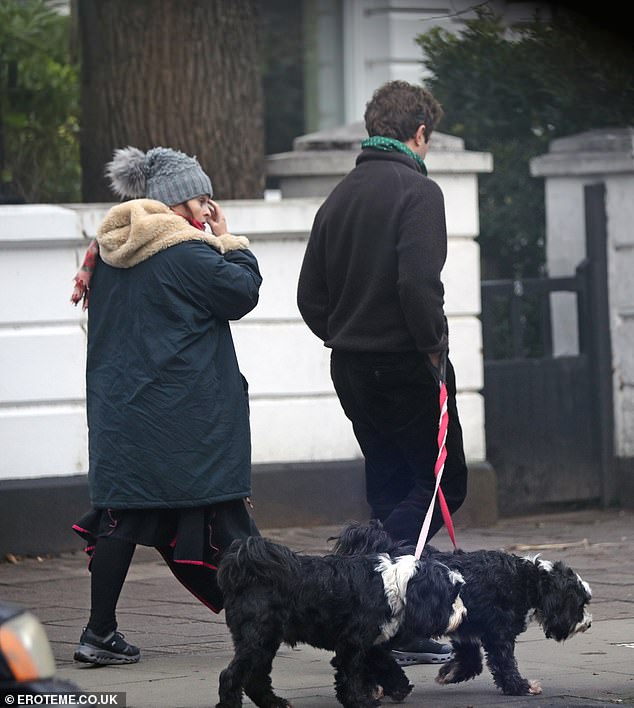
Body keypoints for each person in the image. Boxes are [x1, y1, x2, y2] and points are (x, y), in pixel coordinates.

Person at [297, 80, 468, 666]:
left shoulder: (336, 199)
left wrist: (345, 339)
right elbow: (418, 284)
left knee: (391, 481)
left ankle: (383, 615)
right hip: (406, 364)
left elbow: (308, 297)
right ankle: (380, 595)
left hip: (351, 367)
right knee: (442, 481)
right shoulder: (419, 192)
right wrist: (433, 348)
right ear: (419, 133)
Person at [70, 146, 262, 666]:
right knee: (226, 512)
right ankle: (270, 618)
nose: (208, 208)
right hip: (187, 417)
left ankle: (98, 632)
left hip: (126, 413)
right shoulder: (190, 253)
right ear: (176, 202)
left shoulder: (108, 256)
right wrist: (230, 240)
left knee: (123, 516)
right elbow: (243, 293)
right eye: (202, 199)